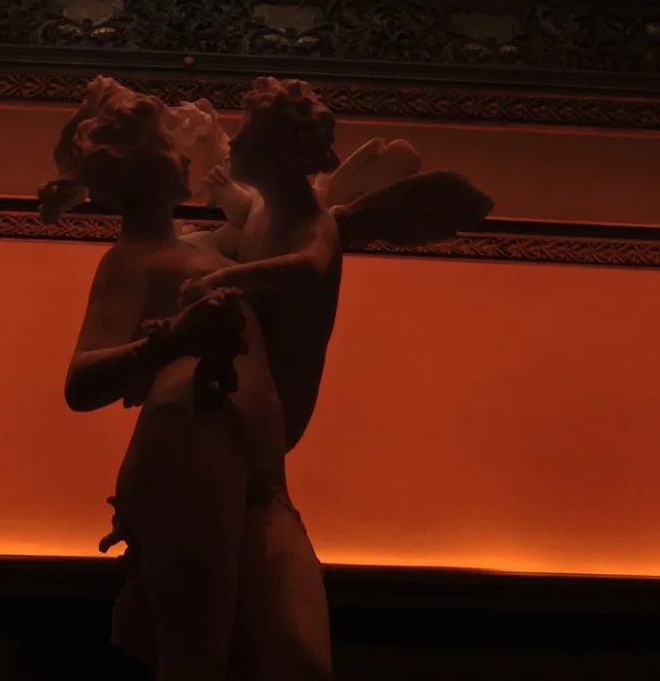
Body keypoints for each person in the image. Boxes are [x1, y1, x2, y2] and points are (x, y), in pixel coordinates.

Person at [41, 76, 331, 681]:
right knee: (196, 659)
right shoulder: (131, 260)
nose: (184, 157)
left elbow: (288, 230)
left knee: (296, 657)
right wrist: (174, 339)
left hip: (261, 463)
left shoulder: (207, 247)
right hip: (194, 432)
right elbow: (81, 382)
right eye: (169, 148)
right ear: (143, 170)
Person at [179, 77, 494, 452]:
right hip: (246, 365)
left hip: (281, 389)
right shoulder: (263, 207)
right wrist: (223, 197)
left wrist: (225, 276)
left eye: (246, 138)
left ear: (281, 156)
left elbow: (307, 266)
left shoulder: (316, 223)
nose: (234, 144)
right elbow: (246, 215)